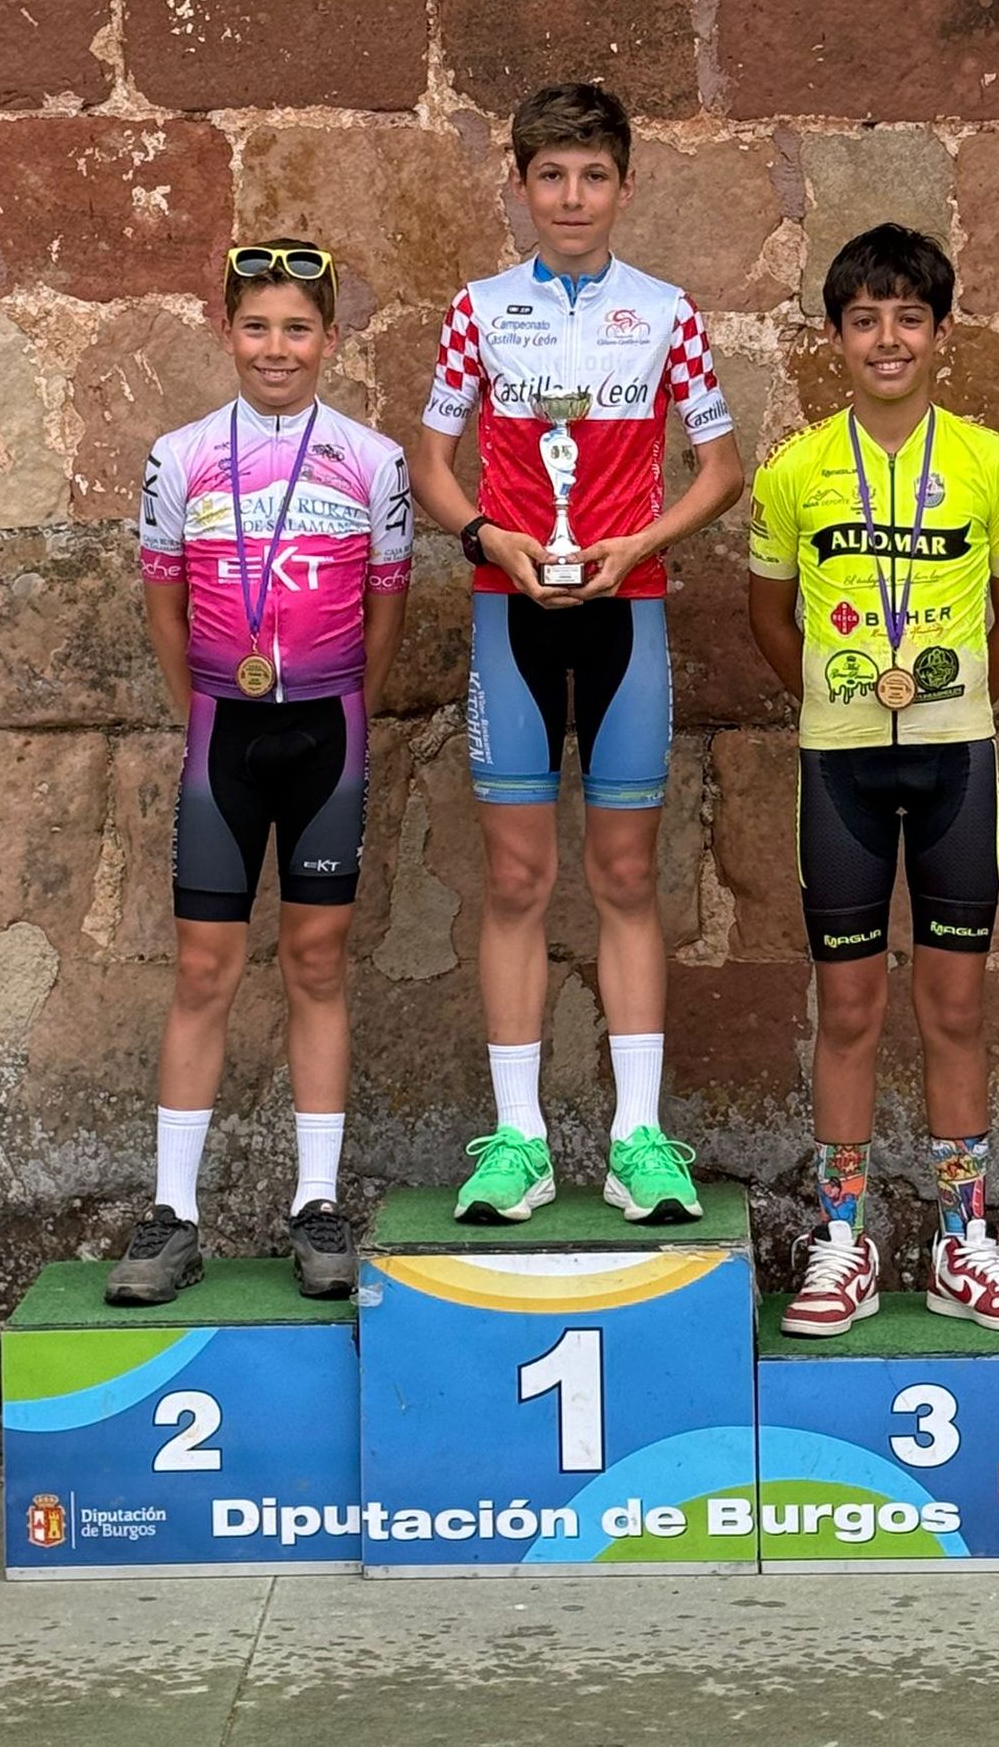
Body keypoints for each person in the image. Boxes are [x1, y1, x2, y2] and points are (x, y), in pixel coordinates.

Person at [412, 83, 743, 1225]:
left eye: (592, 175)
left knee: (625, 876)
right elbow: (429, 462)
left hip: (624, 607)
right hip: (509, 606)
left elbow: (722, 468)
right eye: (549, 175)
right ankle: (519, 1140)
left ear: (625, 187)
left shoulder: (666, 313)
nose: (570, 196)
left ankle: (638, 1138)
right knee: (515, 878)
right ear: (519, 185)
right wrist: (486, 538)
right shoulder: (477, 309)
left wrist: (640, 544)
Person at [747, 224, 999, 1335]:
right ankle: (844, 1241)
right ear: (834, 336)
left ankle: (963, 1241)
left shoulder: (991, 464)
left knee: (956, 1004)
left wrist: (949, 702)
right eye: (865, 319)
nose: (888, 338)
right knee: (848, 1006)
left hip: (954, 755)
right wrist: (839, 707)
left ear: (941, 332)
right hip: (839, 765)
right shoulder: (792, 470)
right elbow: (767, 617)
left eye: (909, 318)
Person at [106, 238, 411, 1305]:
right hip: (221, 732)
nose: (276, 348)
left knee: (317, 962)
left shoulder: (374, 459)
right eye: (256, 326)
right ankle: (172, 1215)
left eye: (297, 328)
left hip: (327, 730)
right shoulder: (179, 454)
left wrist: (346, 708)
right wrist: (201, 702)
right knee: (203, 969)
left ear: (329, 339)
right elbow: (163, 603)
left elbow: (384, 610)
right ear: (226, 332)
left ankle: (316, 1203)